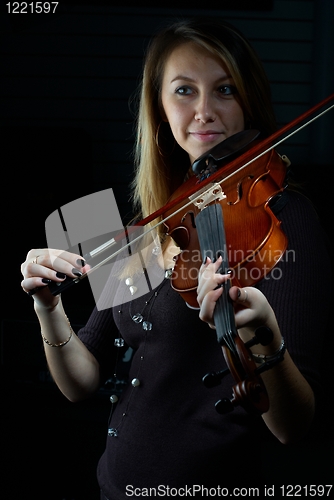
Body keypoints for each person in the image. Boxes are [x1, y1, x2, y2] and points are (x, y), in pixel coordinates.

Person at [20, 18, 331, 498]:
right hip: (112, 487)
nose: (204, 111)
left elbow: (295, 424)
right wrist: (48, 307)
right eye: (184, 91)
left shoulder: (283, 215)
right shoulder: (150, 222)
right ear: (160, 109)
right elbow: (81, 380)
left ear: (248, 98)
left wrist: (262, 336)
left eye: (224, 89)